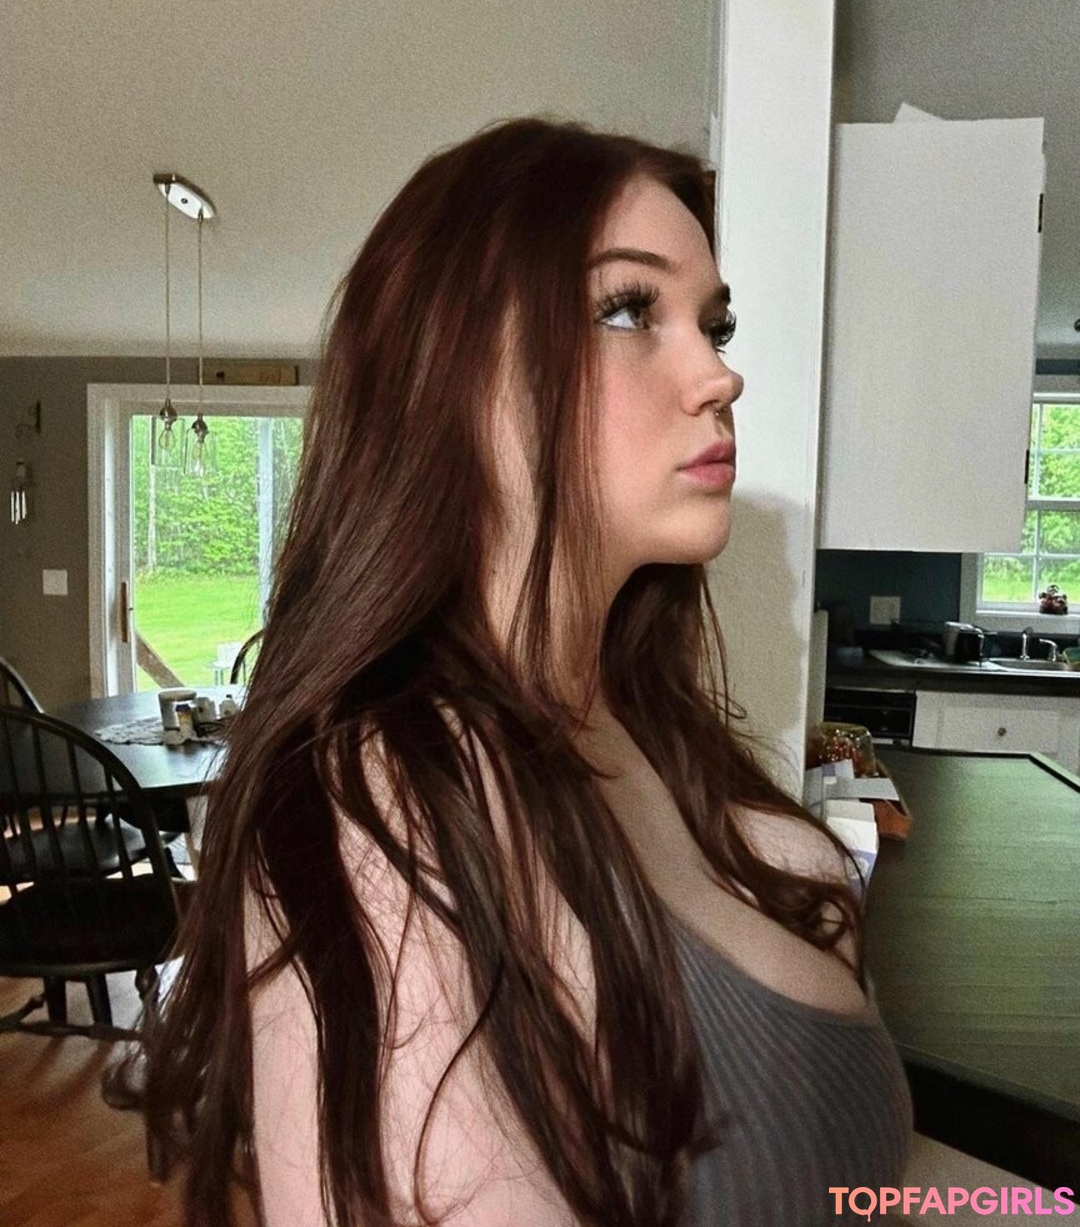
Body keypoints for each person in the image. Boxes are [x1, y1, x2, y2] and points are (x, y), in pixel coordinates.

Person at [142, 118, 912, 1226]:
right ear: (454, 374)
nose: (720, 372)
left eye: (714, 322)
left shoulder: (645, 735)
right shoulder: (395, 801)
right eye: (628, 310)